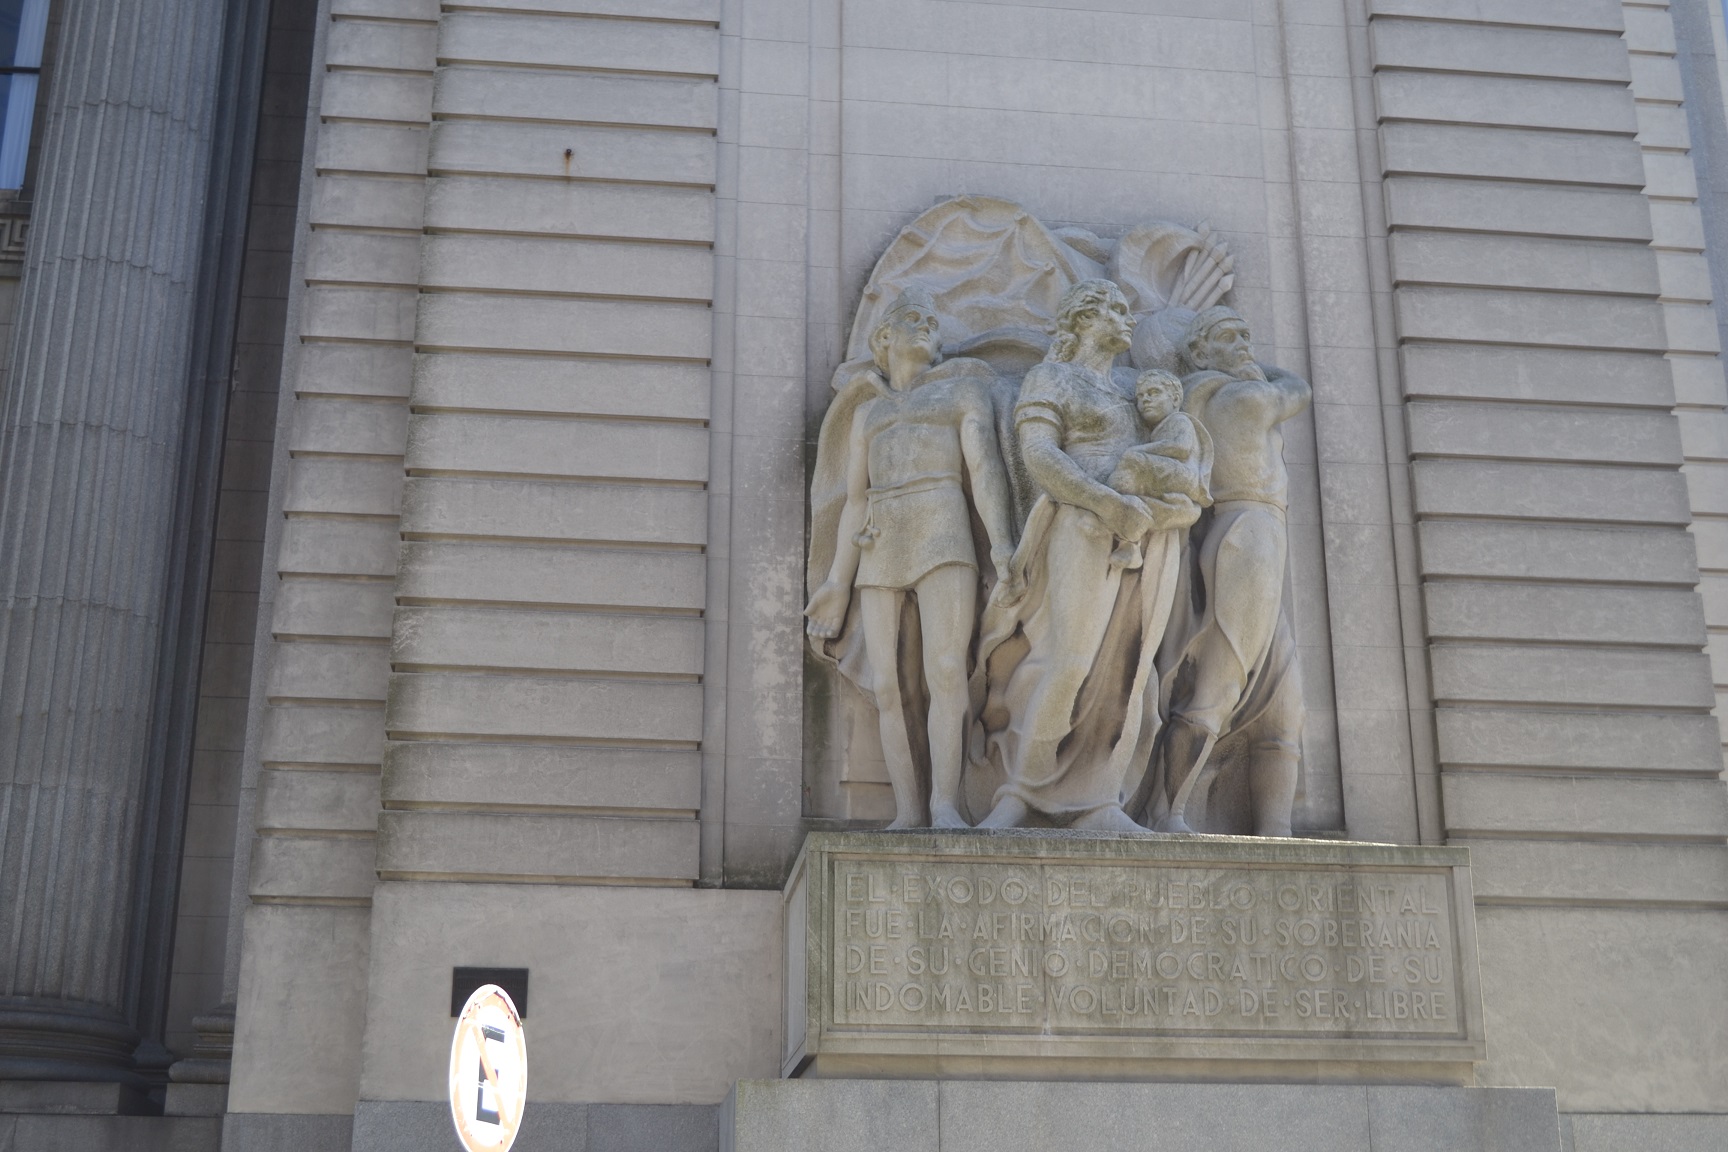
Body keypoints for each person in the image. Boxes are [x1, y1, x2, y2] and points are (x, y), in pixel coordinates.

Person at [970, 280, 1200, 832]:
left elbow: (1176, 448)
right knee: (1070, 661)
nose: (1127, 318)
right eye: (1114, 310)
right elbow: (1039, 456)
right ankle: (1021, 793)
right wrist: (1104, 501)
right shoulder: (1051, 378)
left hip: (1148, 532)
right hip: (1079, 521)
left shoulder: (1135, 390)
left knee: (1131, 670)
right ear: (1080, 321)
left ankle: (1101, 801)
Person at [804, 289, 1016, 828]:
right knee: (889, 685)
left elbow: (985, 471)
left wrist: (1001, 544)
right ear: (884, 337)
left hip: (943, 530)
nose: (924, 326)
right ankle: (907, 812)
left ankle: (944, 804)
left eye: (931, 322)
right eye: (912, 319)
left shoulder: (961, 392)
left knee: (945, 670)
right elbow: (856, 502)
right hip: (880, 541)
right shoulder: (868, 413)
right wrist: (836, 583)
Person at [1144, 306, 1309, 836]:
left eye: (1246, 334)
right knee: (1217, 686)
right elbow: (1298, 389)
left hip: (1256, 539)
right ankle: (1167, 813)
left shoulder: (1203, 397)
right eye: (1228, 336)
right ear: (1198, 352)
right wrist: (1258, 371)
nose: (1243, 344)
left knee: (1284, 706)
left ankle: (1276, 832)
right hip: (1249, 535)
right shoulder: (1240, 398)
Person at [1105, 369, 1211, 572]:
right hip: (1173, 476)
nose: (1145, 400)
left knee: (1133, 460)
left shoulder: (1179, 420)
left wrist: (1139, 450)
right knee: (1133, 481)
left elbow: (1180, 447)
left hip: (1185, 476)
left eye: (1154, 393)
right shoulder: (1159, 428)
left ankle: (1112, 504)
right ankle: (1130, 540)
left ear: (1175, 398)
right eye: (1140, 396)